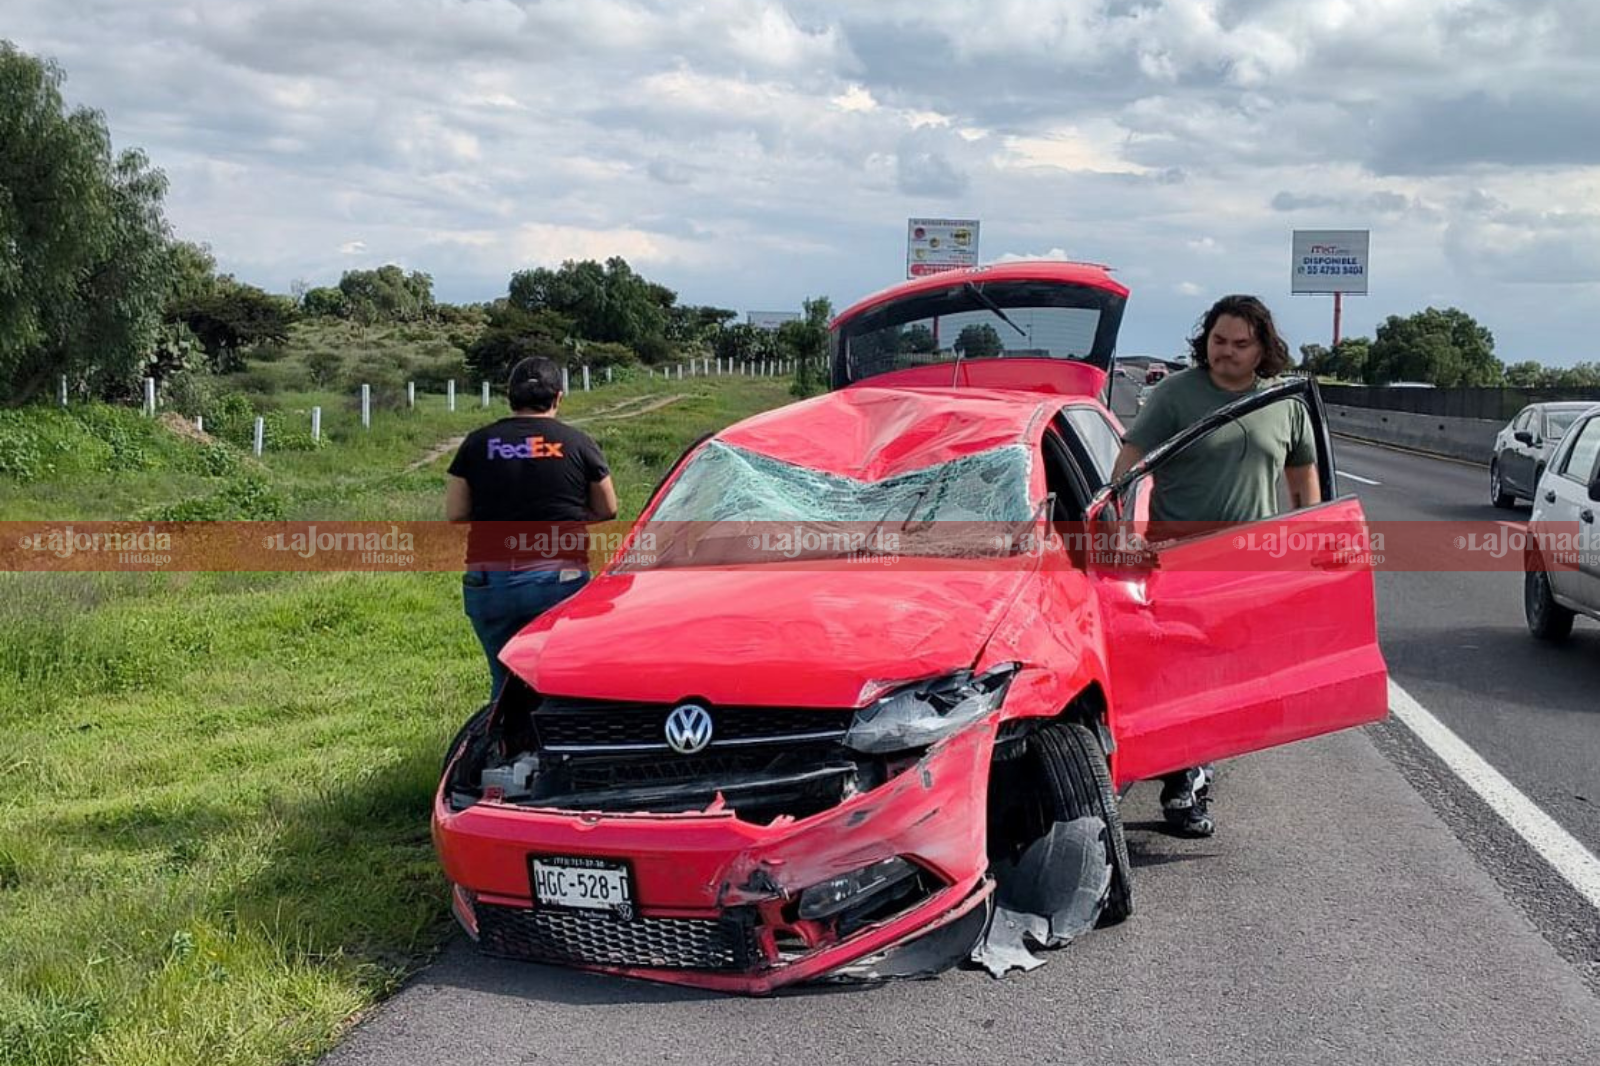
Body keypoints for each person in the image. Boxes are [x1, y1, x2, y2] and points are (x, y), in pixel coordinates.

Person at [1109, 294, 1321, 836]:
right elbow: (1128, 465)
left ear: (1262, 349)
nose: (1225, 353)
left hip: (1250, 566)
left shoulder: (1285, 403)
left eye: (1239, 344)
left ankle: (1192, 767)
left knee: (1226, 678)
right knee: (1183, 674)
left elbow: (1302, 485)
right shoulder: (1177, 395)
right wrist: (1119, 532)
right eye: (1217, 341)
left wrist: (1313, 548)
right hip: (1177, 558)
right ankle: (1183, 785)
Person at [446, 356, 618, 700]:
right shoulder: (577, 442)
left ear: (509, 397)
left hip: (488, 580)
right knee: (555, 681)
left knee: (504, 681)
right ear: (558, 397)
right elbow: (608, 508)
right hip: (557, 579)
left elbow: (456, 512)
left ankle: (503, 749)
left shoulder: (477, 443)